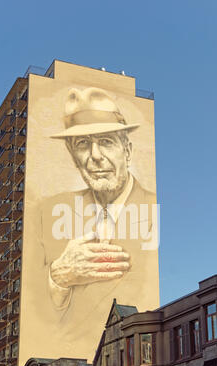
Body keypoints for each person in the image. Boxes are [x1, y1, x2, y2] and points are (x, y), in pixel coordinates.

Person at [36, 87, 159, 352]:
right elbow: (38, 313)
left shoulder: (149, 209)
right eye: (83, 144)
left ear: (127, 149)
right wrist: (57, 278)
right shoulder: (48, 212)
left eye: (106, 141)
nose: (95, 155)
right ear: (73, 156)